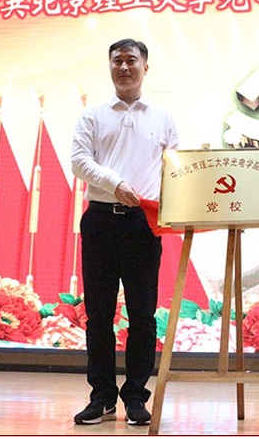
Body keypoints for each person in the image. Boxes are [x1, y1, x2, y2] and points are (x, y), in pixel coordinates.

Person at [71, 38, 179, 426]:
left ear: (145, 68)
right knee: (98, 315)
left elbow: (175, 170)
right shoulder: (93, 115)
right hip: (100, 220)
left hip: (141, 225)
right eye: (117, 60)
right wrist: (114, 183)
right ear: (110, 66)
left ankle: (135, 397)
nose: (124, 67)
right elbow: (79, 161)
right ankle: (101, 397)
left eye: (131, 60)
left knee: (143, 315)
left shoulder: (163, 117)